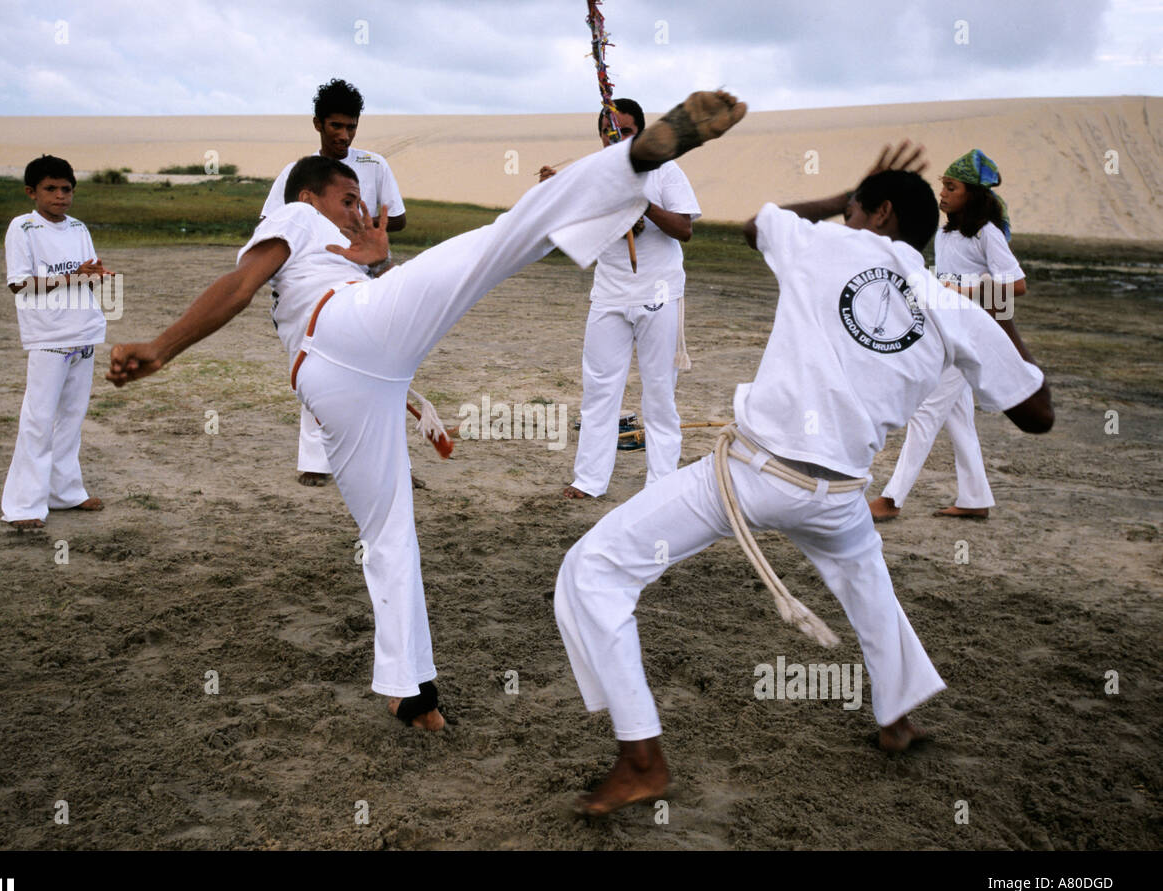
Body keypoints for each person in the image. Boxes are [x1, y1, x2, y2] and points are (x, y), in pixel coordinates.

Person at [107, 90, 749, 731]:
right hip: (341, 335)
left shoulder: (339, 252)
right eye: (349, 200)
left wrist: (403, 370)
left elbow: (380, 333)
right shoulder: (297, 218)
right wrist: (163, 347)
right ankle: (633, 160)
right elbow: (240, 286)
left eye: (362, 200)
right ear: (310, 199)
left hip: (340, 378)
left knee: (388, 534)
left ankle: (410, 693)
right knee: (497, 244)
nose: (360, 211)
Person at [553, 142, 1054, 816]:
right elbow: (1037, 414)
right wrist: (998, 322)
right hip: (839, 496)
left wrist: (838, 199)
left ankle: (642, 758)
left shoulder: (824, 245)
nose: (843, 218)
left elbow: (757, 225)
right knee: (867, 583)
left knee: (593, 570)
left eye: (854, 209)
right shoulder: (945, 301)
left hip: (753, 473)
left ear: (876, 214)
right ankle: (898, 715)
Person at [539, 99, 701, 500]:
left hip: (659, 294)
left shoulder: (665, 168)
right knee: (598, 390)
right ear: (600, 136)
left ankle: (661, 484)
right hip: (609, 294)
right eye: (610, 132)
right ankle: (589, 481)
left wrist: (642, 204)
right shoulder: (593, 175)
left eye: (626, 132)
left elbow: (684, 229)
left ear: (641, 133)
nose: (617, 139)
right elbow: (568, 229)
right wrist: (551, 191)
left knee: (659, 391)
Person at [262, 78, 408, 488]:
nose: (344, 135)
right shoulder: (298, 172)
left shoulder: (376, 165)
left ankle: (394, 461)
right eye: (335, 126)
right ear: (317, 124)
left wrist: (361, 221)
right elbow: (269, 221)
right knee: (316, 362)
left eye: (351, 126)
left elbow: (397, 217)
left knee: (385, 364)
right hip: (312, 281)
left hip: (363, 275)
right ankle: (315, 460)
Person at [869, 148, 1027, 521]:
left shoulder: (987, 234)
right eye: (942, 186)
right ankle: (975, 499)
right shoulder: (944, 232)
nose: (943, 193)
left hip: (968, 335)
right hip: (944, 328)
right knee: (958, 417)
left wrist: (965, 291)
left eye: (951, 187)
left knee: (925, 411)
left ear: (971, 193)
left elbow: (1017, 285)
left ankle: (891, 500)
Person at [1, 154, 112, 529]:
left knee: (71, 419)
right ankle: (24, 506)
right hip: (48, 337)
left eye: (67, 189)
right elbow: (18, 283)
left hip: (83, 332)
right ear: (32, 192)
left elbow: (86, 274)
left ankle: (65, 492)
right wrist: (73, 279)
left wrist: (94, 275)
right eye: (51, 189)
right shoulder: (23, 228)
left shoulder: (79, 227)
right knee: (38, 420)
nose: (60, 196)